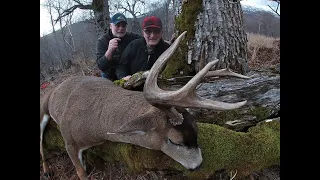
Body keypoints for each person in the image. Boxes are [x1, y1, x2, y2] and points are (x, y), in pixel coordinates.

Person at [116, 16, 170, 81]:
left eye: (156, 31)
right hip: (132, 88)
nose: (152, 36)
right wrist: (124, 77)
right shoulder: (134, 46)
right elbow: (121, 67)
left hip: (157, 88)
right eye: (148, 31)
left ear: (161, 32)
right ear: (143, 33)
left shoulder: (167, 49)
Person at [96, 13, 142, 81]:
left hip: (127, 74)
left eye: (123, 26)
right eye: (117, 25)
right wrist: (109, 51)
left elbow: (147, 40)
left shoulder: (133, 38)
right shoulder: (102, 41)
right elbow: (101, 66)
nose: (121, 28)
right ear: (110, 26)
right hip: (109, 76)